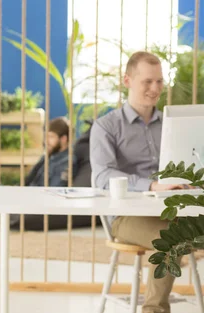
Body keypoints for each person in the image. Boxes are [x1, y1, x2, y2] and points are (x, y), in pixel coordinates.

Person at [90, 51, 189, 313]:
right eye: (147, 81)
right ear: (127, 81)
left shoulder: (173, 124)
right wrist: (152, 185)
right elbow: (102, 176)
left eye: (159, 81)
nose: (155, 88)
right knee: (171, 241)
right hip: (127, 217)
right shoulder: (106, 127)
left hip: (177, 210)